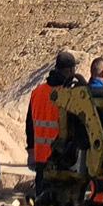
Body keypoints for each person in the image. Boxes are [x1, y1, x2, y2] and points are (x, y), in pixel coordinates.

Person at [25, 50, 81, 181]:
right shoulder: (68, 94)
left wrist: (31, 150)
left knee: (41, 198)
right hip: (60, 158)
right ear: (70, 70)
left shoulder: (37, 92)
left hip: (40, 157)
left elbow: (29, 125)